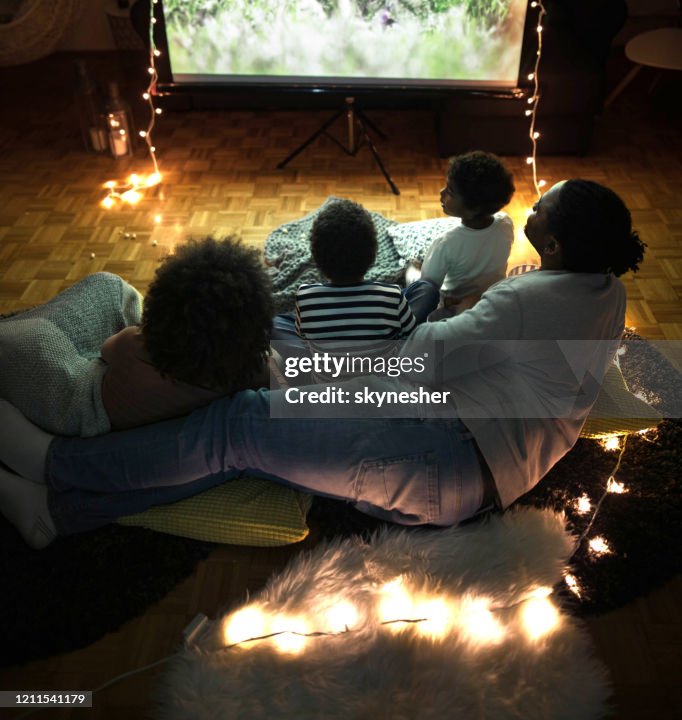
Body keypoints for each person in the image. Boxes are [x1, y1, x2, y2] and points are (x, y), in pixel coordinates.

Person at [0, 180, 645, 550]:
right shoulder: (605, 290)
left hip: (442, 457)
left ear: (554, 243)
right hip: (458, 447)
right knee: (262, 428)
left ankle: (55, 467)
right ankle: (59, 512)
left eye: (543, 207)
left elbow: (424, 355)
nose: (530, 207)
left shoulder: (527, 298)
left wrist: (412, 324)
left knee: (239, 425)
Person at [0, 236, 273, 436]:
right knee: (111, 295)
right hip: (135, 394)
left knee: (104, 288)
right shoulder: (248, 370)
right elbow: (293, 369)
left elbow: (107, 348)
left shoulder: (133, 348)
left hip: (85, 402)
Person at [291, 199, 437, 341]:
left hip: (329, 364)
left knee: (280, 322)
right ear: (372, 255)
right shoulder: (392, 296)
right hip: (381, 364)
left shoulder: (305, 297)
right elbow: (408, 337)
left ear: (316, 259)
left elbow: (303, 339)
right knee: (426, 289)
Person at [417, 150, 515, 314]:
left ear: (473, 209)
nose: (441, 193)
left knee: (411, 272)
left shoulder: (446, 242)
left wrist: (416, 270)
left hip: (452, 304)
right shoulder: (506, 223)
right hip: (490, 297)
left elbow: (428, 288)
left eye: (450, 191)